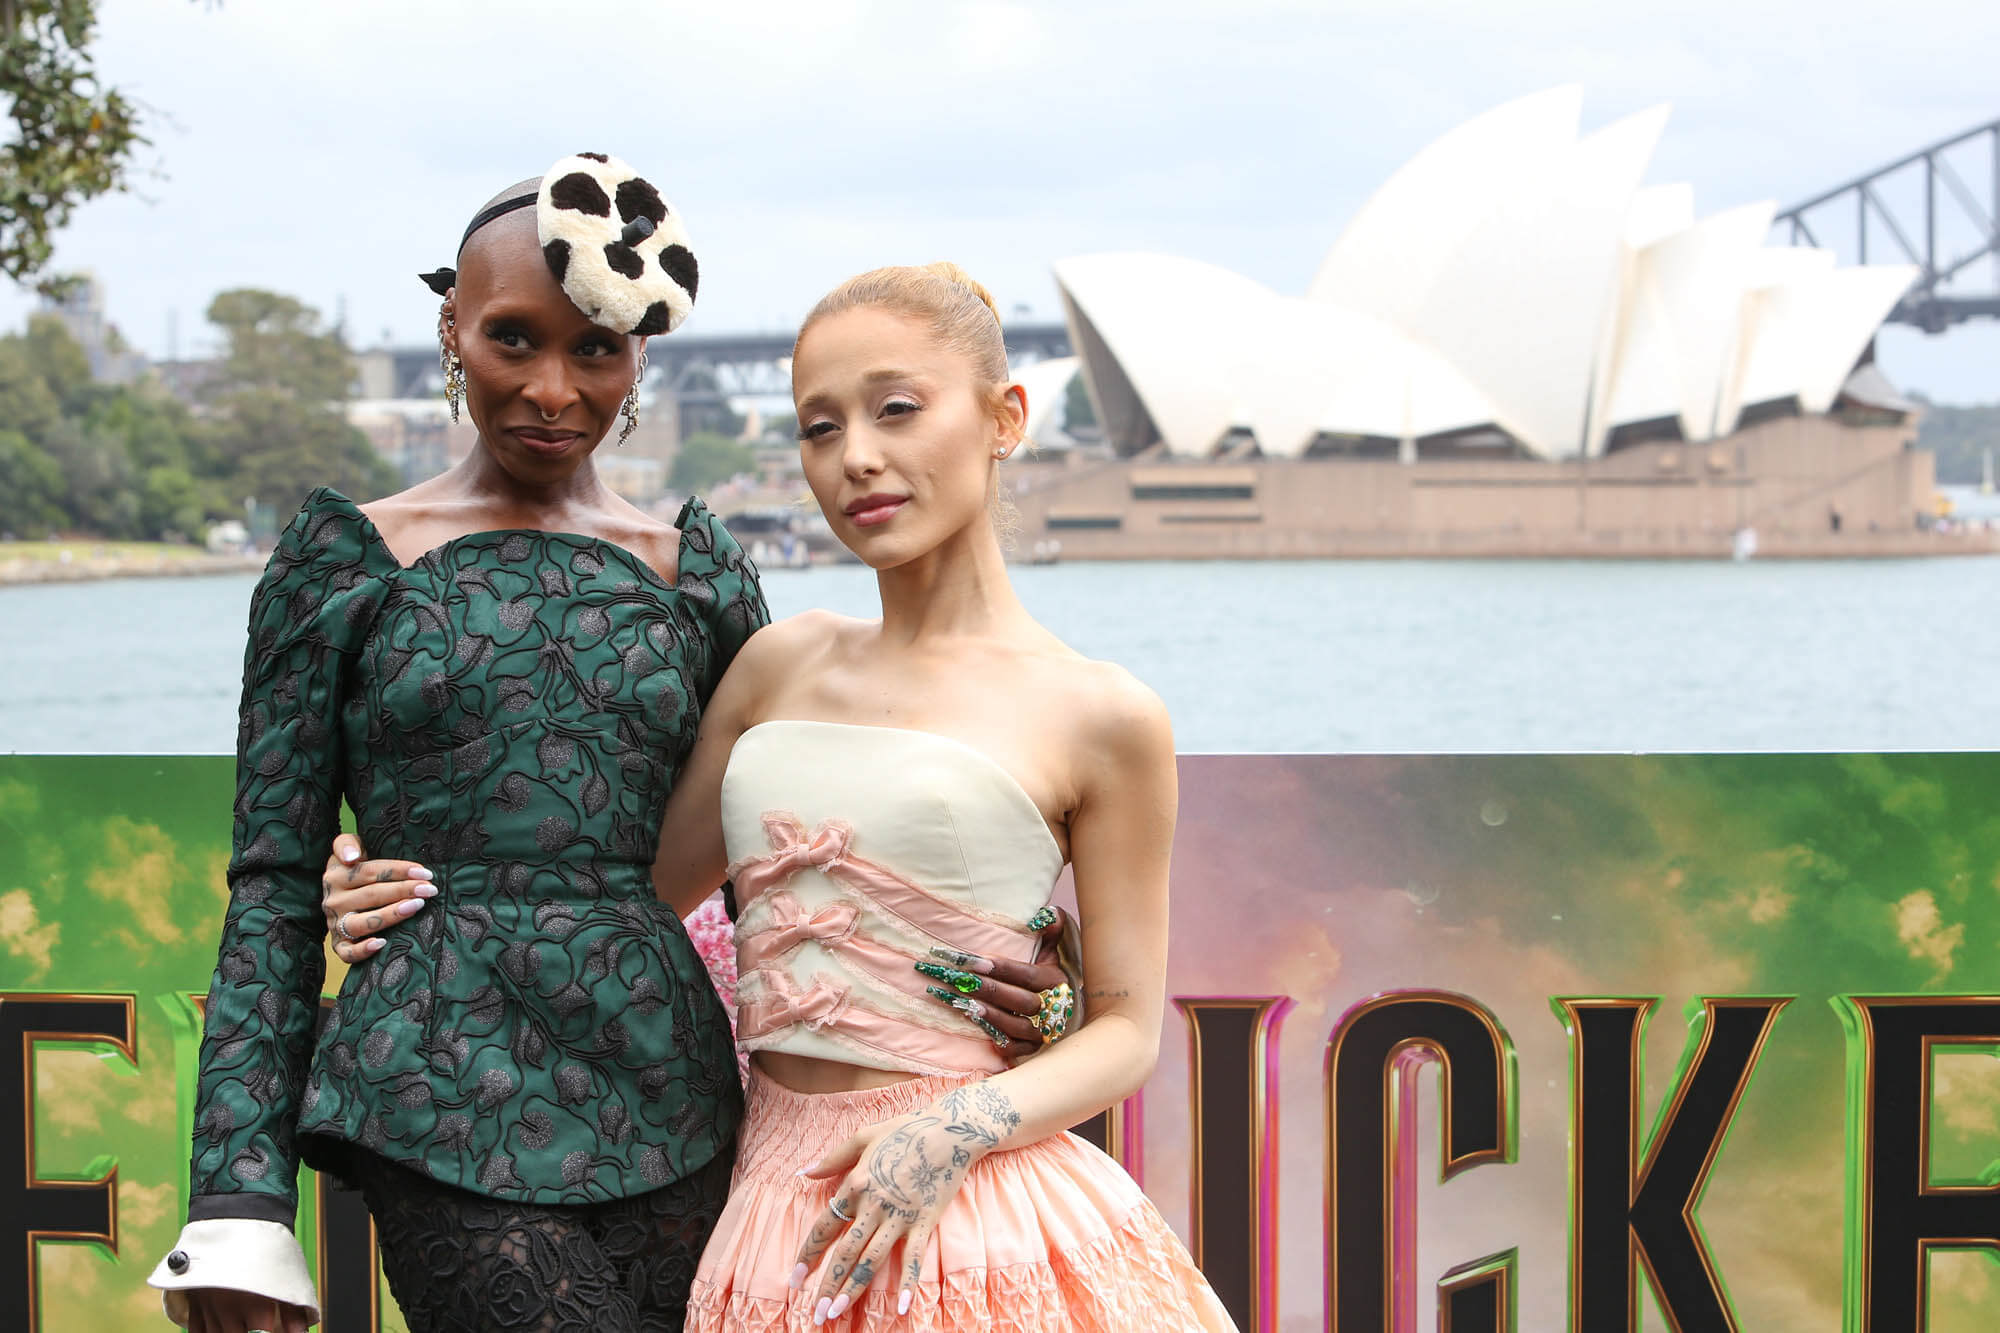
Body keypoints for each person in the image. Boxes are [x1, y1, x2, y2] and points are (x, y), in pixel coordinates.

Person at [156, 156, 1071, 1333]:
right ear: (451, 328)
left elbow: (790, 853)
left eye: (593, 348)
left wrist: (1030, 986)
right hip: (430, 1085)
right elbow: (274, 883)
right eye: (512, 339)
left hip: (674, 1099)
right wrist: (236, 1205)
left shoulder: (699, 573)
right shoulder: (343, 562)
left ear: (638, 354)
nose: (552, 388)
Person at [652, 263, 1231, 1329]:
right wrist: (368, 872)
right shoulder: (776, 665)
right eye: (819, 427)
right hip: (768, 1207)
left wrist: (955, 1126)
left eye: (897, 409)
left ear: (1005, 418)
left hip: (979, 1213)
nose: (855, 457)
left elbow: (1124, 1028)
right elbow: (625, 897)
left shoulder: (1103, 713)